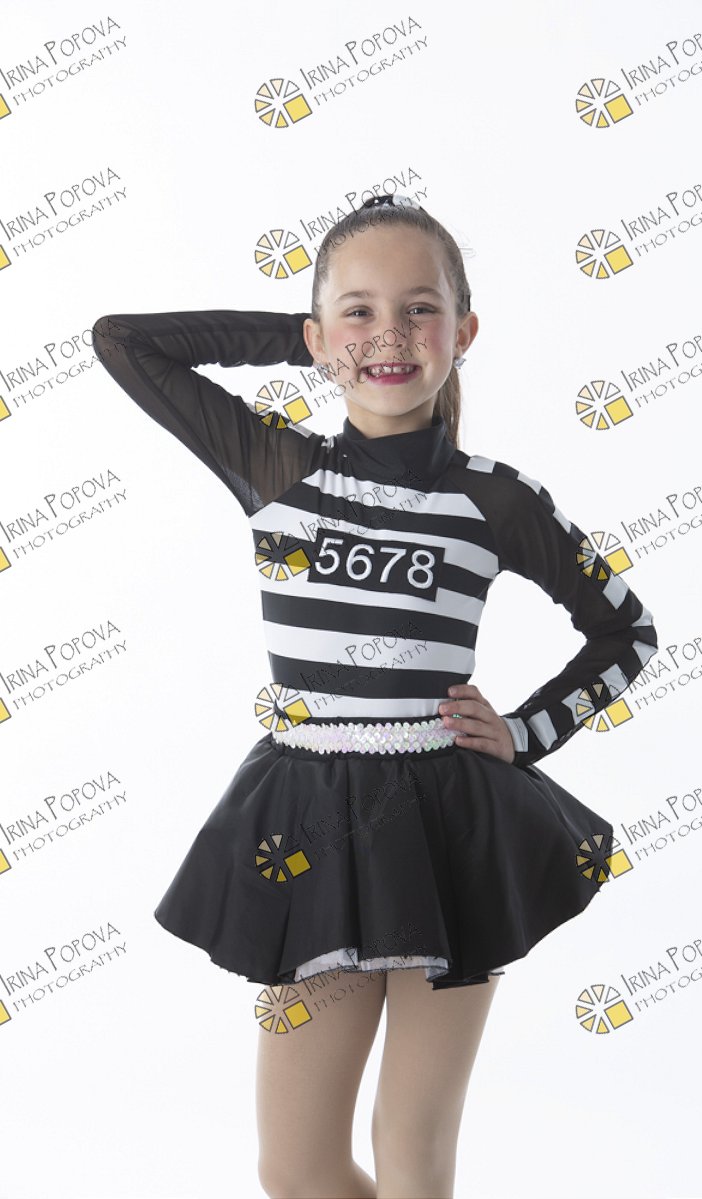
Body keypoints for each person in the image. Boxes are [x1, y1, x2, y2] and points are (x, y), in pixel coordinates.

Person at [91, 192, 658, 1199]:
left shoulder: (496, 498)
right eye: (358, 311)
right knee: (295, 1165)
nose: (389, 334)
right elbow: (123, 342)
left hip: (453, 829)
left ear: (464, 332)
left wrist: (525, 732)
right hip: (308, 822)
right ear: (317, 334)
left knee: (412, 1153)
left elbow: (627, 631)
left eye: (419, 310)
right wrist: (312, 341)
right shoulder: (275, 465)